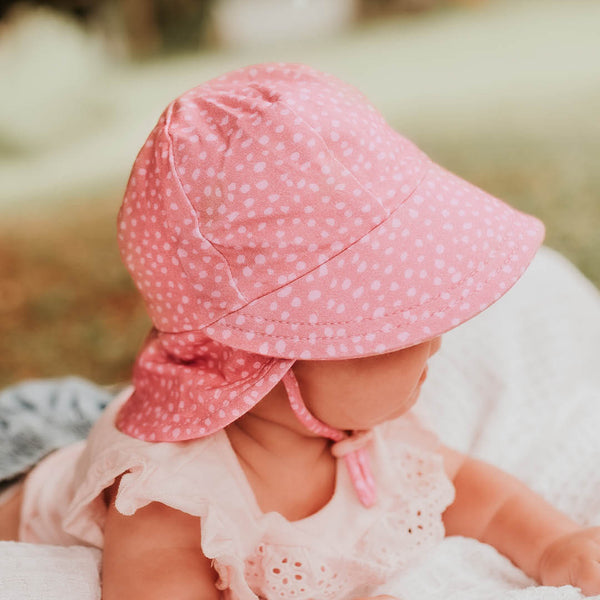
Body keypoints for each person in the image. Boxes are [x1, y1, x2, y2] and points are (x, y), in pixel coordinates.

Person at [2, 62, 600, 600]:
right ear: (273, 359)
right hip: (23, 450)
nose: (438, 339)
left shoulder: (366, 430)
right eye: (396, 325)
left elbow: (472, 491)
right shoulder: (173, 499)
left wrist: (554, 546)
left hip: (86, 412)